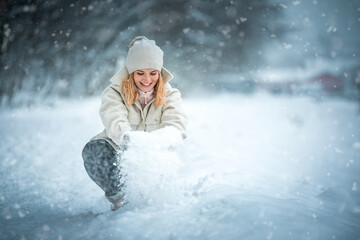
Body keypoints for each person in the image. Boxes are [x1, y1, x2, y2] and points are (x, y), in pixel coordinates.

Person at [82, 36, 188, 211]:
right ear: (131, 72)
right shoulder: (114, 92)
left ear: (159, 73)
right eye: (140, 73)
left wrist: (172, 134)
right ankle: (121, 199)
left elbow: (176, 118)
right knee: (94, 151)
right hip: (119, 150)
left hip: (154, 155)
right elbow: (113, 117)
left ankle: (154, 199)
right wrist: (128, 138)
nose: (147, 79)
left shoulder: (170, 94)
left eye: (153, 73)